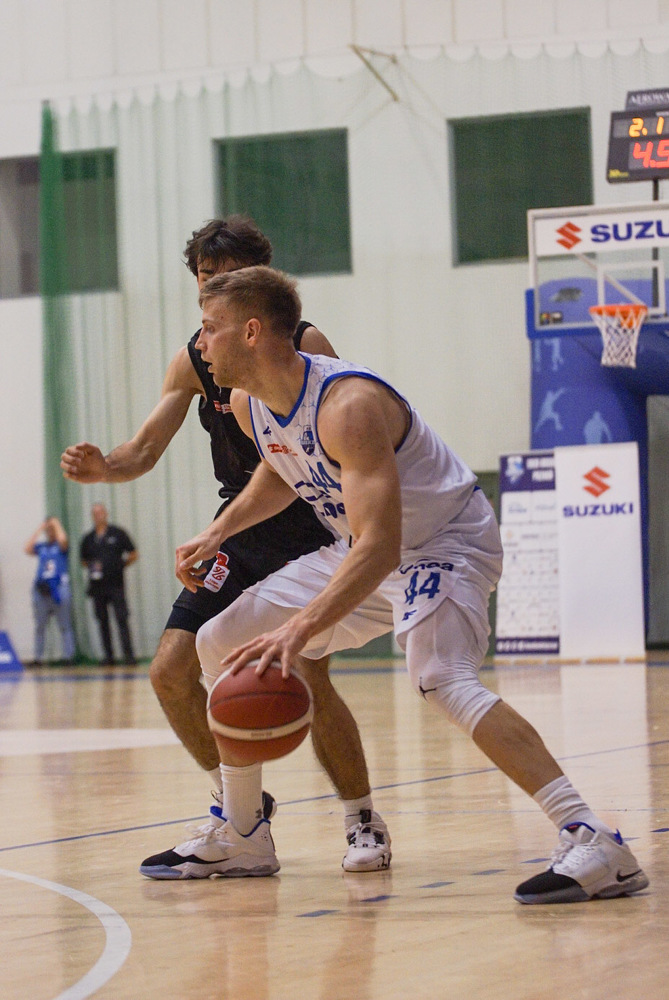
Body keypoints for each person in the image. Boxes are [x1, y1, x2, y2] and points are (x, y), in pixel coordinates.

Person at [174, 265, 649, 904]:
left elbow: (381, 547)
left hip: (444, 544)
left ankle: (593, 837)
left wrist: (302, 627)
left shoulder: (349, 406)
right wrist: (218, 532)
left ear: (252, 332)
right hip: (366, 549)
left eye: (210, 328)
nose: (200, 344)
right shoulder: (249, 405)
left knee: (439, 676)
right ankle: (244, 835)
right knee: (218, 640)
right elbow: (283, 470)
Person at [60, 217, 391, 878]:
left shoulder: (304, 341)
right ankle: (239, 813)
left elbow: (325, 432)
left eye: (228, 276)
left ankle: (361, 817)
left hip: (306, 519)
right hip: (239, 527)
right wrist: (105, 468)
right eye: (206, 277)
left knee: (308, 672)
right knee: (169, 669)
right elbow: (143, 449)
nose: (213, 287)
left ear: (258, 283)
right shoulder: (196, 357)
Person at [80, 503, 138, 665]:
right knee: (102, 621)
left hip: (116, 585)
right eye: (95, 513)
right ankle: (108, 656)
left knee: (121, 619)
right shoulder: (88, 538)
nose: (98, 515)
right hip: (97, 587)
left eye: (101, 512)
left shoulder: (117, 533)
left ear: (106, 514)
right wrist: (94, 567)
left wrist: (120, 565)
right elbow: (83, 560)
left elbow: (133, 553)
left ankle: (129, 655)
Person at [24, 516, 76, 665]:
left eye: (53, 530)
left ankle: (68, 657)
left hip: (59, 588)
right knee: (40, 626)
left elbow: (63, 540)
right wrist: (41, 528)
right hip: (42, 590)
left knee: (65, 624)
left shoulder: (61, 547)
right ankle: (38, 658)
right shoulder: (42, 547)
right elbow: (27, 548)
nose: (51, 532)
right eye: (49, 530)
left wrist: (56, 523)